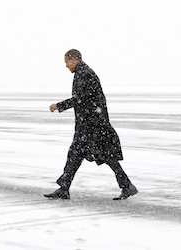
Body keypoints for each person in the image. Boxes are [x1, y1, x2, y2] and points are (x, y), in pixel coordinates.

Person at [44, 49, 138, 200]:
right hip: (92, 124)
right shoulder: (83, 72)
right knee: (87, 155)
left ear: (75, 59)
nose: (66, 66)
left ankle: (126, 186)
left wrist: (59, 105)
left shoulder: (85, 74)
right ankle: (65, 187)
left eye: (67, 62)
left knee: (86, 155)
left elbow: (79, 99)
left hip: (92, 125)